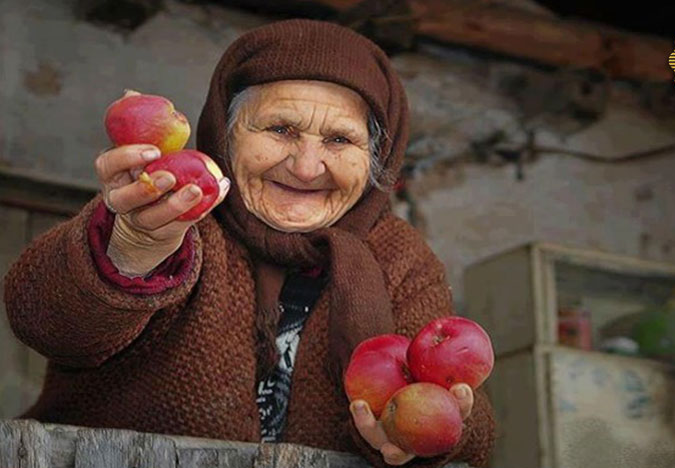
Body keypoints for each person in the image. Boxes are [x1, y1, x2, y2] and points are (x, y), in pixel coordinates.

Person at [4, 19, 495, 467]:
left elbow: (474, 426)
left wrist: (430, 431)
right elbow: (46, 321)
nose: (306, 166)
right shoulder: (173, 213)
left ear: (376, 156)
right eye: (281, 129)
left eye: (341, 141)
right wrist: (131, 248)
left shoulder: (400, 256)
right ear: (226, 133)